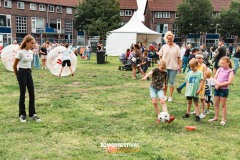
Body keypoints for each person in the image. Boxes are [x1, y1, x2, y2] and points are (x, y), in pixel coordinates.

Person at [13, 35, 41, 123]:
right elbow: (14, 65)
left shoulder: (31, 52)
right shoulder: (20, 52)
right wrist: (17, 75)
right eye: (32, 43)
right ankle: (22, 114)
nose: (33, 45)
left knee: (32, 93)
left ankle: (32, 114)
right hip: (21, 72)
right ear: (26, 42)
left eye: (34, 43)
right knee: (23, 93)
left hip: (29, 72)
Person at [141, 59, 175, 124]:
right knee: (154, 102)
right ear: (158, 65)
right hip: (153, 88)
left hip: (160, 89)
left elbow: (165, 79)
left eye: (164, 68)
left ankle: (167, 116)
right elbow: (150, 73)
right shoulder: (155, 69)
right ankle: (159, 116)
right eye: (162, 68)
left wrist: (165, 85)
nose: (163, 70)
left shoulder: (165, 72)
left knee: (162, 101)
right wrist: (145, 77)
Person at [208, 56, 234, 125]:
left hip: (224, 90)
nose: (222, 65)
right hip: (217, 88)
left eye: (223, 63)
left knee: (223, 105)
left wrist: (221, 85)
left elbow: (229, 81)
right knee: (216, 104)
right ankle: (216, 117)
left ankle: (223, 119)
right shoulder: (219, 69)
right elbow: (214, 78)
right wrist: (217, 84)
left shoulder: (230, 71)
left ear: (228, 63)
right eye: (221, 63)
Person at [158, 31, 182, 102]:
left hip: (173, 67)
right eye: (168, 39)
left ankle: (170, 96)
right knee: (165, 82)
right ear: (166, 39)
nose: (170, 40)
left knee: (172, 82)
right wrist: (161, 63)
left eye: (171, 39)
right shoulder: (163, 47)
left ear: (173, 38)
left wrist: (179, 66)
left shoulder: (177, 47)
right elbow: (160, 55)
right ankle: (164, 95)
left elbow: (179, 58)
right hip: (164, 67)